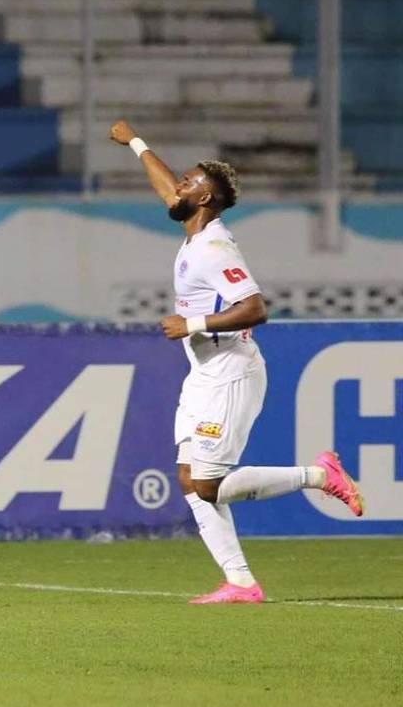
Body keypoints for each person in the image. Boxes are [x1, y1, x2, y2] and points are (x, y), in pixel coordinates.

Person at [110, 119, 363, 604]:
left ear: (204, 198)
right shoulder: (194, 230)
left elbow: (255, 308)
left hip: (231, 370)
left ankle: (319, 475)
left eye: (188, 183)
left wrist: (193, 323)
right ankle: (241, 582)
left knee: (207, 485)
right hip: (204, 372)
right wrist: (136, 143)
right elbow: (166, 189)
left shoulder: (215, 248)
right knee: (191, 481)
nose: (177, 187)